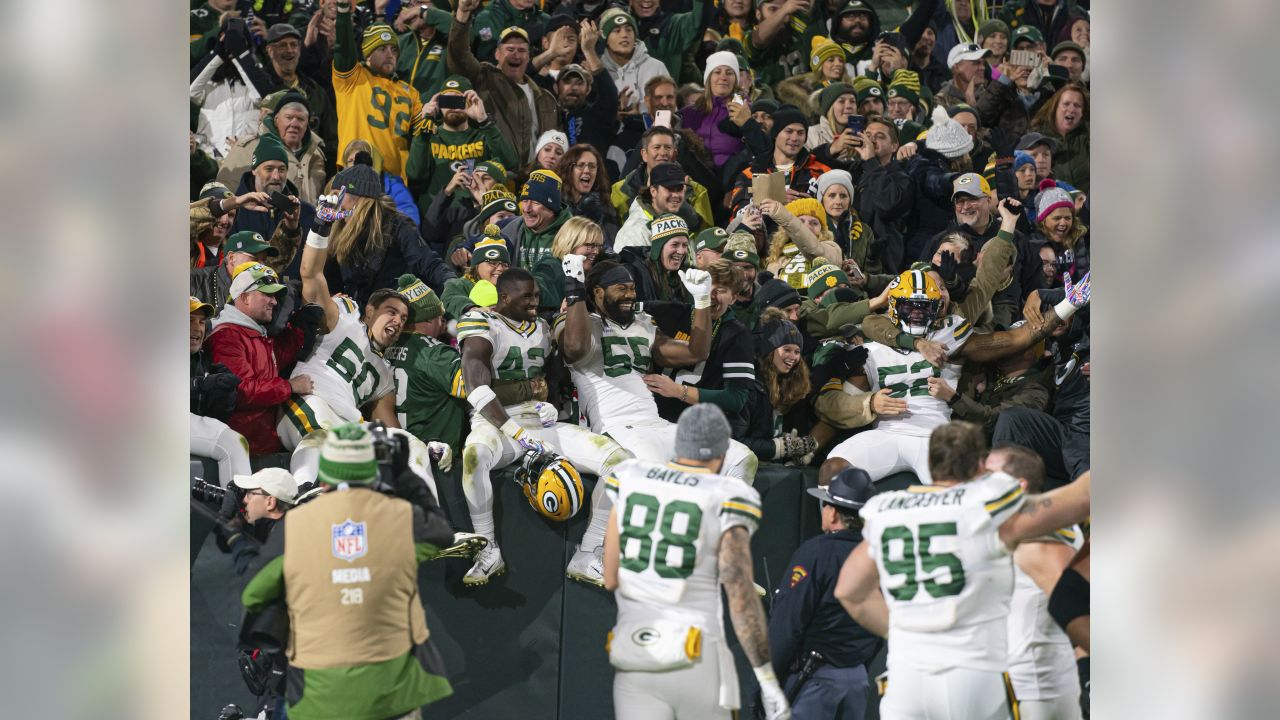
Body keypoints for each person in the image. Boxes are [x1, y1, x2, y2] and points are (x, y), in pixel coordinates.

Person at [834, 421, 1092, 720]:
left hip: (906, 677)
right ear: (978, 465)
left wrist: (906, 632)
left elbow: (848, 590)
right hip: (976, 675)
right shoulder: (987, 509)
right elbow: (1082, 497)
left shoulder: (891, 509)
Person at [241, 423, 457, 720]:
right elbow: (440, 534)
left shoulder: (298, 529)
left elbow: (255, 594)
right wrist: (403, 473)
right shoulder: (394, 521)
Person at [602, 403, 790, 720]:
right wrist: (767, 678)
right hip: (695, 655)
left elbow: (610, 576)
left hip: (636, 655)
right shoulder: (726, 493)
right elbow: (740, 596)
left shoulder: (630, 477)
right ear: (721, 452)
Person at [819, 266, 1090, 485]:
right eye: (908, 307)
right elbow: (835, 404)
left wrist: (1067, 306)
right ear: (893, 307)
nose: (916, 314)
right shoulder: (871, 344)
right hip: (886, 432)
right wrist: (869, 403)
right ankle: (841, 536)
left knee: (959, 488)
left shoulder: (951, 335)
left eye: (924, 307)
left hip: (935, 434)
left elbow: (1015, 339)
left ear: (937, 309)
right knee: (832, 469)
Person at [456, 268, 633, 586]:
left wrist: (551, 399)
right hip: (495, 423)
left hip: (539, 421)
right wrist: (515, 431)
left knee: (621, 462)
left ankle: (588, 553)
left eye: (537, 295)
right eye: (527, 296)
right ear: (504, 297)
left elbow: (553, 375)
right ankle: (487, 549)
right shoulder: (481, 322)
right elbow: (476, 387)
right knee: (474, 456)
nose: (535, 301)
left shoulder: (541, 327)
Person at [277, 192, 411, 450]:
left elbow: (389, 426)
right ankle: (310, 485)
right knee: (324, 446)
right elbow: (311, 274)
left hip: (345, 422)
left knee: (405, 450)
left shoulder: (384, 373)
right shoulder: (345, 318)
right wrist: (320, 227)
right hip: (311, 399)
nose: (398, 321)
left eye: (404, 318)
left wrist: (419, 447)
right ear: (369, 311)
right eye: (391, 311)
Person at [768, 468, 880, 720]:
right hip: (858, 678)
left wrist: (768, 679)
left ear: (834, 513)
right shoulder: (877, 553)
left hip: (815, 680)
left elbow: (788, 624)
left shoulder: (816, 552)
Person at [986, 445, 1085, 720]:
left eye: (988, 475)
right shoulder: (1036, 521)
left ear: (1019, 485)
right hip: (1031, 678)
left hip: (1033, 683)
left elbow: (1076, 605)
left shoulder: (1036, 531)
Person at [207, 262, 308, 455]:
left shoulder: (254, 333)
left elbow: (279, 356)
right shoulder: (226, 336)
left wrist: (301, 327)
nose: (274, 302)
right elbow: (240, 391)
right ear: (244, 297)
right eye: (267, 294)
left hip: (262, 444)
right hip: (242, 450)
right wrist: (289, 386)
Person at [646, 261, 757, 434]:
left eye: (720, 290)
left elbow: (736, 399)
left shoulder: (737, 335)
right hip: (652, 418)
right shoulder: (669, 312)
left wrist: (680, 391)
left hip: (697, 429)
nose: (711, 295)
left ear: (733, 298)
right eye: (708, 286)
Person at [326, 164, 456, 306]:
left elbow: (426, 262)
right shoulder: (334, 228)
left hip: (396, 311)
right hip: (355, 316)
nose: (332, 201)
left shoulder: (396, 224)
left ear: (359, 198)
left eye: (337, 194)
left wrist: (452, 284)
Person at [449, 0, 561, 164]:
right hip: (494, 176)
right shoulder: (483, 79)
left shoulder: (546, 99)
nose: (516, 55)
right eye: (509, 49)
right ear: (497, 54)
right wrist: (462, 15)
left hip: (532, 179)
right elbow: (459, 55)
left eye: (522, 50)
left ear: (529, 56)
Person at [332, 3, 424, 182]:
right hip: (356, 175)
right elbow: (343, 47)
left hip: (397, 181)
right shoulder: (352, 79)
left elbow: (423, 136)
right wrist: (343, 12)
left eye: (394, 49)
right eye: (382, 49)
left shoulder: (410, 92)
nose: (390, 54)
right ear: (367, 55)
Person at [387, 275, 471, 455]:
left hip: (397, 449)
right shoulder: (435, 354)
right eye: (440, 317)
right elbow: (473, 388)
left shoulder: (387, 344)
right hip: (435, 454)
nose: (443, 323)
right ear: (428, 319)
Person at [406, 76, 516, 207]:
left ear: (469, 102)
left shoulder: (484, 136)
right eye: (447, 101)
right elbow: (414, 174)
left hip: (476, 213)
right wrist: (424, 126)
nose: (453, 107)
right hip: (436, 215)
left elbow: (509, 163)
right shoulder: (428, 137)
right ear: (438, 104)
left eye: (458, 101)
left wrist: (485, 121)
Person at [218, 90, 329, 206]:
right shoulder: (248, 148)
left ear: (307, 123)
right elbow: (225, 194)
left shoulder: (317, 153)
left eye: (300, 119)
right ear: (276, 120)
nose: (294, 124)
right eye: (289, 117)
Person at [738, 309, 816, 463]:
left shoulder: (792, 384)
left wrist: (796, 452)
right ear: (770, 350)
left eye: (797, 351)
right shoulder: (749, 385)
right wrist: (777, 448)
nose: (792, 357)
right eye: (786, 350)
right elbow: (733, 441)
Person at [190, 297, 250, 490]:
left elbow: (215, 417)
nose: (197, 328)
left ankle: (234, 511)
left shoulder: (203, 361)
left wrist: (225, 395)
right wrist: (201, 384)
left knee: (234, 441)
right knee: (233, 444)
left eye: (201, 322)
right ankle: (239, 514)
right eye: (189, 320)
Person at [728, 106, 833, 217]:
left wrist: (809, 206)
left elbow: (834, 212)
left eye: (800, 133)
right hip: (764, 233)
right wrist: (772, 202)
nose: (794, 138)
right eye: (789, 131)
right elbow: (737, 215)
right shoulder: (753, 172)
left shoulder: (820, 172)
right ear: (775, 134)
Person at [615, 159, 708, 250]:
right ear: (653, 191)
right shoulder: (634, 233)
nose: (675, 195)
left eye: (679, 188)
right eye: (669, 188)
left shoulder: (677, 220)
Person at [223, 467, 299, 576]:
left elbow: (253, 575)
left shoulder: (283, 540)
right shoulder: (274, 524)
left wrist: (235, 538)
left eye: (249, 493)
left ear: (270, 502)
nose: (244, 500)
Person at [599, 8, 671, 117]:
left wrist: (642, 118)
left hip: (651, 132)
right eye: (617, 31)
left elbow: (669, 113)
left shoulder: (656, 67)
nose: (624, 35)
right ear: (605, 39)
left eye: (628, 30)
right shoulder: (598, 71)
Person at [679, 51, 746, 169]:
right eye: (717, 72)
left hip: (733, 177)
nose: (723, 77)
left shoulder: (745, 110)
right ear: (708, 78)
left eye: (729, 73)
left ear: (735, 80)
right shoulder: (689, 113)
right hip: (696, 176)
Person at [501, 170, 575, 270]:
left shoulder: (574, 234)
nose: (526, 209)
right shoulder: (511, 230)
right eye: (525, 200)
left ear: (552, 207)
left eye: (535, 202)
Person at [532, 216, 605, 313]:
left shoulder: (593, 271)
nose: (596, 251)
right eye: (590, 246)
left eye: (599, 246)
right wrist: (558, 314)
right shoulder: (550, 268)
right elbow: (535, 289)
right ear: (570, 243)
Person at [622, 213, 694, 304]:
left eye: (685, 245)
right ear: (658, 247)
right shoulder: (635, 274)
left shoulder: (687, 276)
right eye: (675, 245)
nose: (681, 251)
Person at [1030, 82, 1089, 192]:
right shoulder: (1035, 138)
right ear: (1055, 107)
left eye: (1077, 105)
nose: (1071, 109)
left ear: (1082, 112)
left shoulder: (1089, 136)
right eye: (1066, 104)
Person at [556, 144, 619, 241]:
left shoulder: (604, 206)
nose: (587, 170)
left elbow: (610, 247)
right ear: (568, 169)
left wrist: (596, 221)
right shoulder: (556, 204)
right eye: (580, 165)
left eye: (592, 166)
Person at [443, 231, 511, 319]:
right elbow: (450, 299)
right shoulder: (459, 285)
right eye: (493, 263)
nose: (500, 268)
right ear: (477, 265)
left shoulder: (513, 286)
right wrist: (472, 309)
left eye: (505, 264)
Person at [394, 2, 454, 100]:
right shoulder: (401, 42)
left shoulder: (451, 41)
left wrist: (423, 11)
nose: (412, 10)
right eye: (410, 4)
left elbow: (463, 30)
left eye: (420, 2)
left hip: (437, 113)